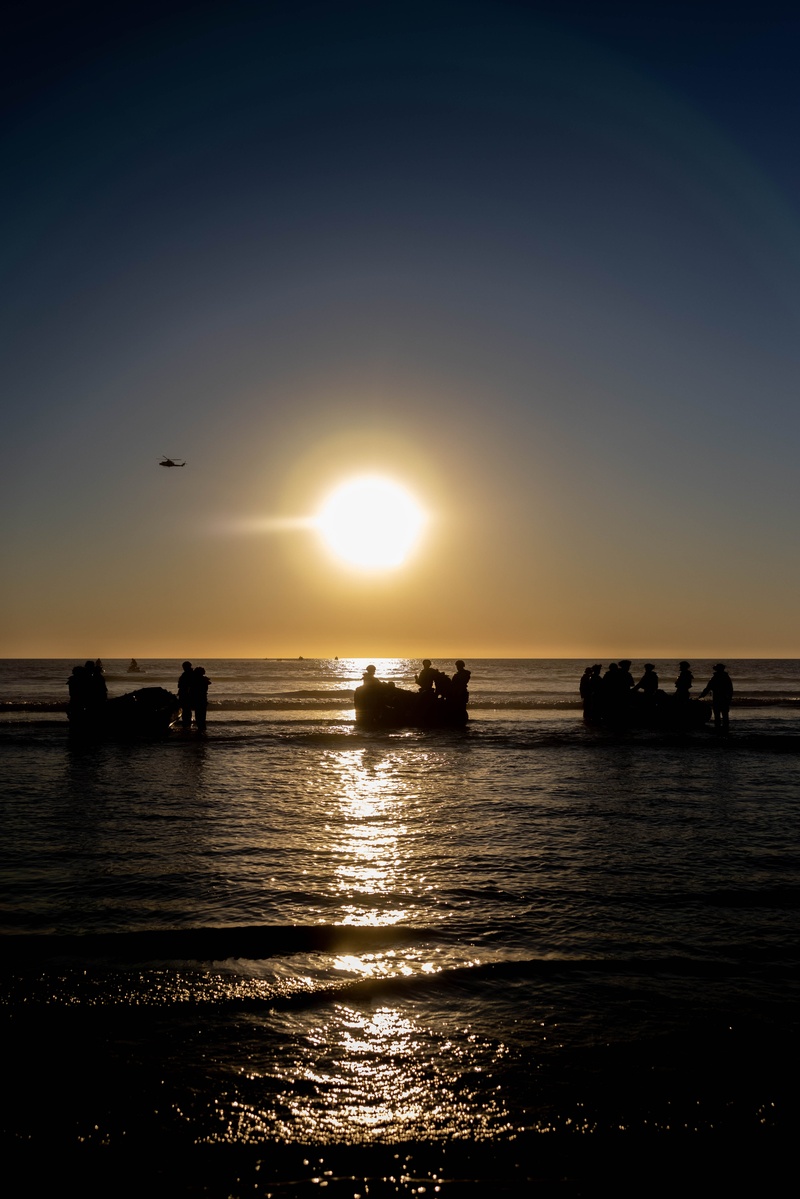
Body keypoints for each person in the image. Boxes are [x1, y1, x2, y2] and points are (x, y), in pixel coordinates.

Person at [700, 664, 733, 732]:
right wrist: (729, 697)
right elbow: (730, 689)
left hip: (717, 697)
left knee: (717, 713)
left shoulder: (715, 677)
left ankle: (718, 727)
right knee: (725, 714)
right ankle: (725, 728)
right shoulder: (726, 677)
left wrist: (702, 695)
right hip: (725, 698)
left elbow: (708, 687)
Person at [191, 666, 210, 733]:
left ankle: (200, 729)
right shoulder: (204, 680)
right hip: (203, 698)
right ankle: (202, 728)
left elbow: (192, 691)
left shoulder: (195, 680)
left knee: (198, 715)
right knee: (202, 715)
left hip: (198, 698)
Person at [177, 661, 194, 729]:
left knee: (186, 710)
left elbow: (188, 686)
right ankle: (187, 724)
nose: (183, 668)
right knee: (187, 710)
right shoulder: (189, 673)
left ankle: (186, 724)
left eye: (184, 667)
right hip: (185, 694)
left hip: (186, 695)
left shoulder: (188, 674)